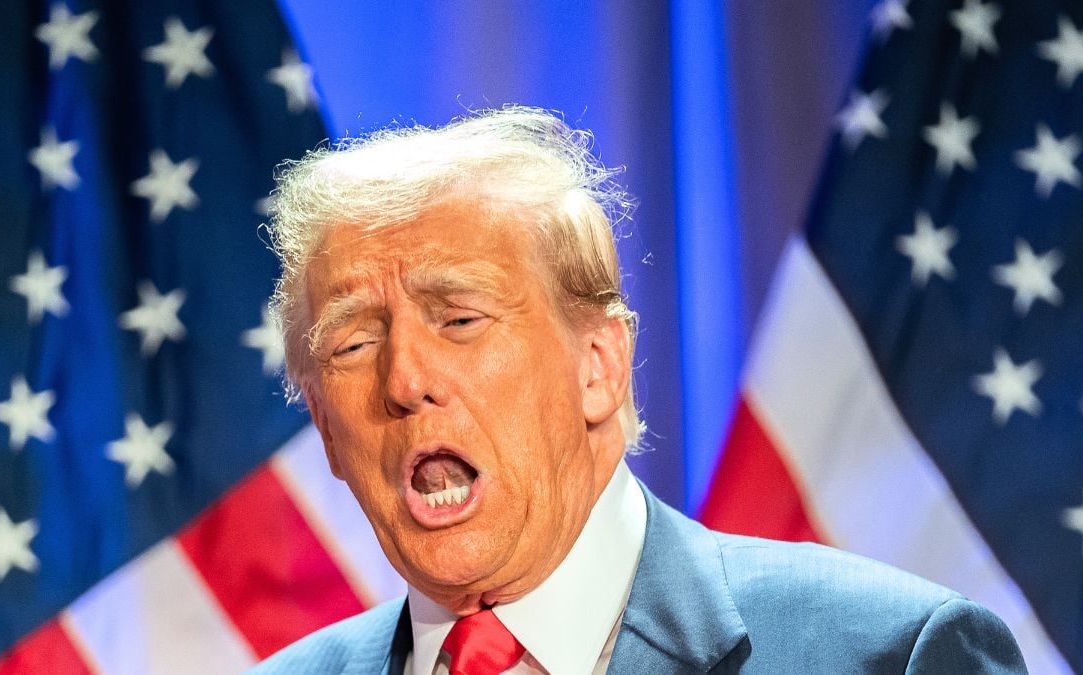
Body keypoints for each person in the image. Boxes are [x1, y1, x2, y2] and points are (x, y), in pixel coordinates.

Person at [250, 107, 1026, 674]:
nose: (406, 380)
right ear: (323, 423)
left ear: (599, 366)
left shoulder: (889, 654)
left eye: (459, 318)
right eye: (353, 342)